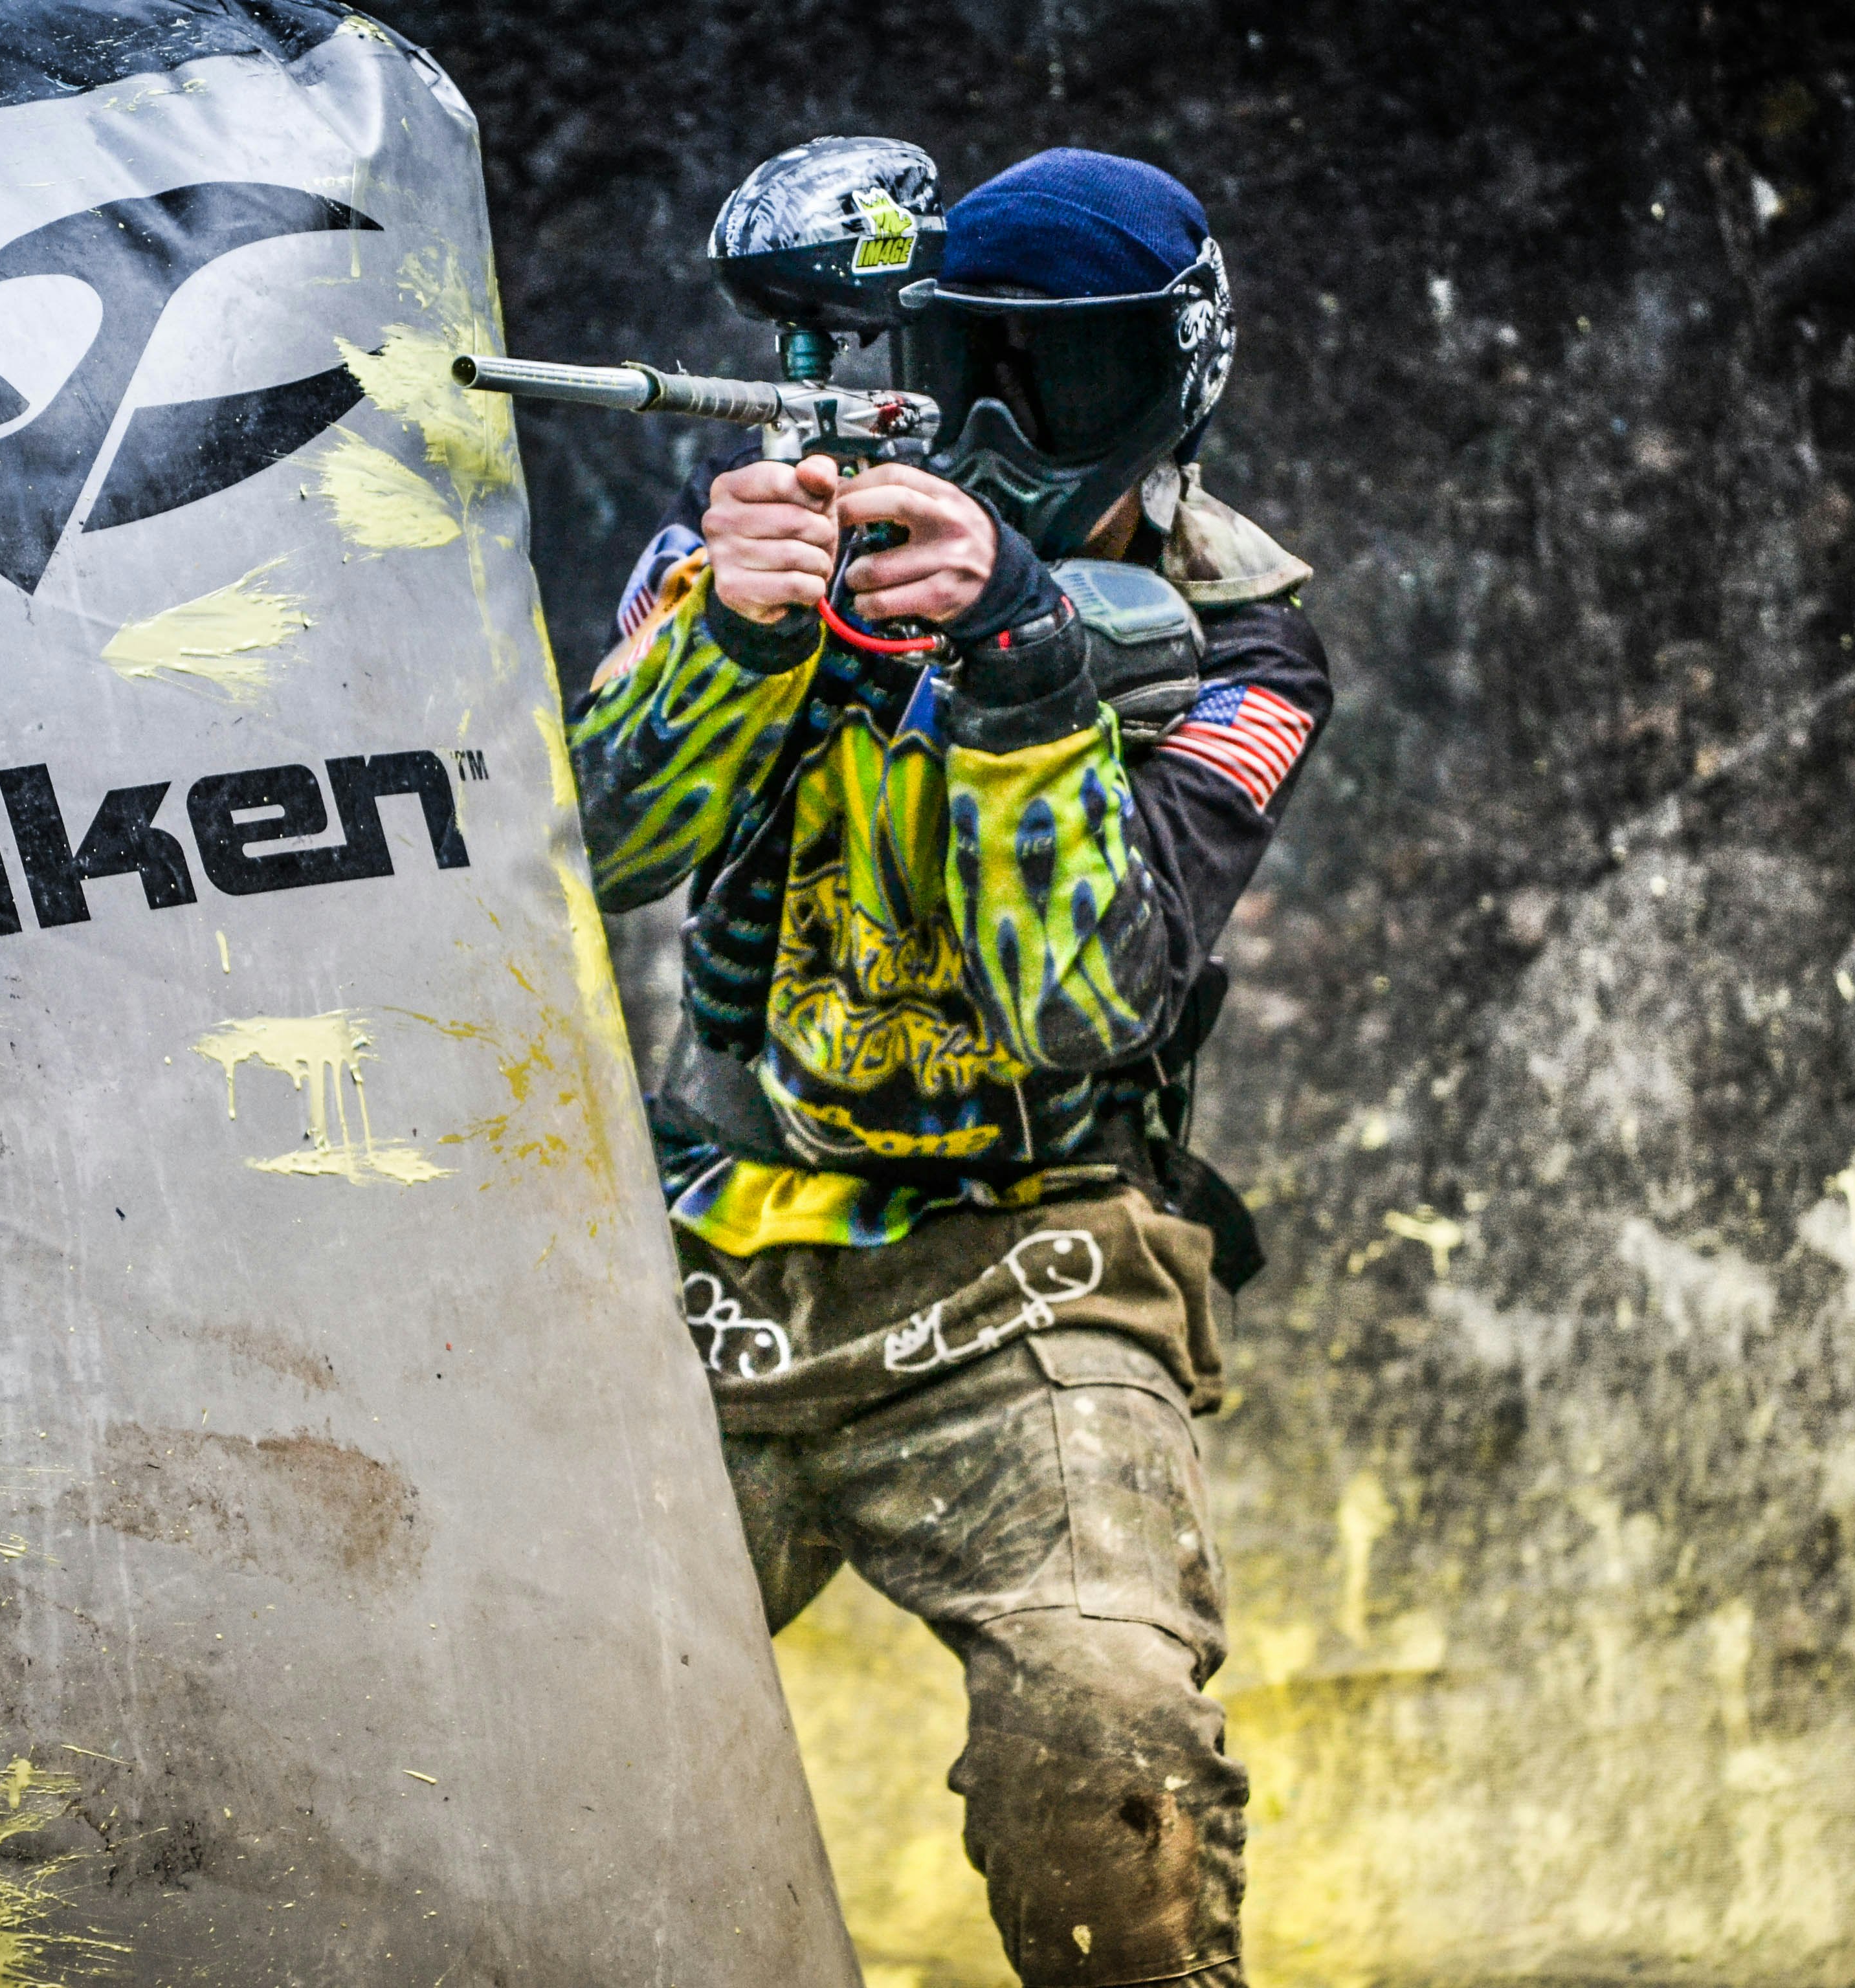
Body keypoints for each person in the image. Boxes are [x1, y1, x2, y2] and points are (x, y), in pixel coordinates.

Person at [568, 146, 1329, 1988]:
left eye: (1060, 379)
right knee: (518, 1726)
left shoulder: (1239, 642)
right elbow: (591, 861)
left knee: (1103, 1736)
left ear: (1172, 382)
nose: (1006, 426)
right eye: (964, 363)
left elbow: (1083, 1002)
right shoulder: (763, 553)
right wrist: (738, 638)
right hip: (713, 1259)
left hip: (1039, 1270)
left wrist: (1012, 668)